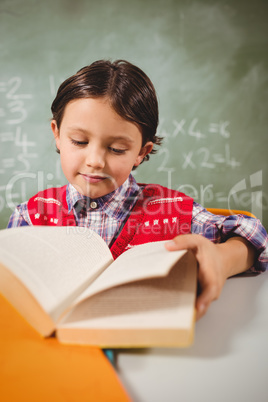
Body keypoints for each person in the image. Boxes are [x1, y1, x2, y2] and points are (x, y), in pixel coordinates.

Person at [8, 59, 268, 320]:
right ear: (57, 134)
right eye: (79, 141)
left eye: (117, 149)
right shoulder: (30, 217)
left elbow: (254, 234)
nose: (95, 160)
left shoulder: (171, 211)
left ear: (141, 152)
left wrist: (223, 259)